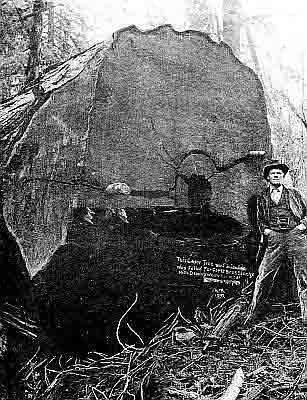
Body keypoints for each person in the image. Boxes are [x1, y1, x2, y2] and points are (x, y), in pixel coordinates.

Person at [247, 161, 307, 324]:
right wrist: (267, 231)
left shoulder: (294, 194)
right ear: (268, 177)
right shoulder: (262, 197)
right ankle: (254, 314)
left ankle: (306, 315)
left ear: (283, 177)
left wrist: (303, 226)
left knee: (304, 276)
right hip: (275, 240)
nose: (276, 176)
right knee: (263, 275)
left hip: (295, 237)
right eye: (273, 174)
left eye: (279, 174)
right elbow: (259, 220)